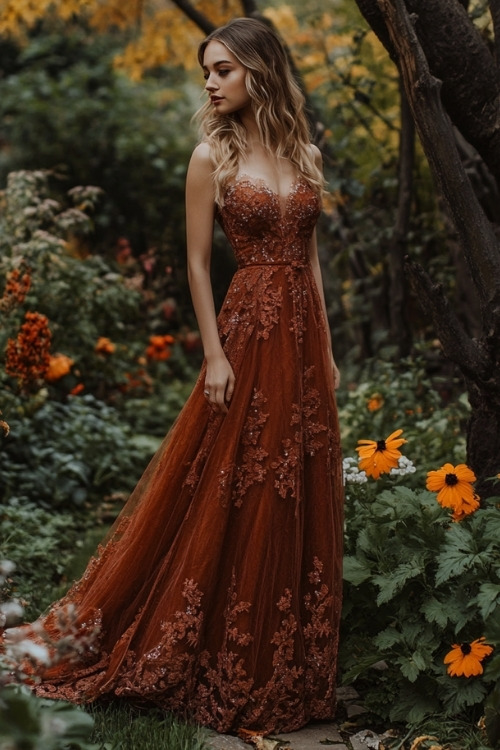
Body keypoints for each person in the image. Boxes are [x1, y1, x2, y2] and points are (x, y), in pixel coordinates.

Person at [10, 17, 343, 737]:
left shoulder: (305, 153)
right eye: (206, 71)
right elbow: (197, 263)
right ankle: (217, 653)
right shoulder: (210, 157)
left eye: (223, 69)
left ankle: (285, 666)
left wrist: (330, 346)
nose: (210, 83)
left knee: (296, 485)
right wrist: (213, 354)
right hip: (248, 328)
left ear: (259, 69)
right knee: (240, 480)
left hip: (302, 337)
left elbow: (309, 258)